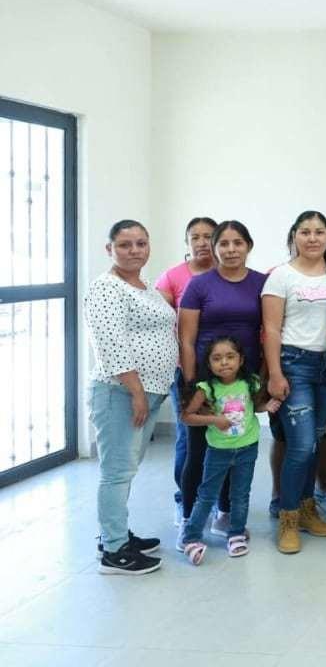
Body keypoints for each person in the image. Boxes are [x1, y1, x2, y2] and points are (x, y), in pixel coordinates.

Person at [85, 220, 177, 575]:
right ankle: (113, 551)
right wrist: (137, 393)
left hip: (147, 392)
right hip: (120, 392)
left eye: (141, 243)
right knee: (116, 471)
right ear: (109, 249)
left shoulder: (143, 286)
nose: (134, 250)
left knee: (127, 467)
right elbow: (111, 346)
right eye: (125, 245)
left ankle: (117, 533)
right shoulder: (107, 288)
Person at [177, 220, 267, 548]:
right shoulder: (199, 285)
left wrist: (265, 378)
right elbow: (186, 339)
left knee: (236, 442)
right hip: (205, 379)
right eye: (224, 244)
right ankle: (188, 520)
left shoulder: (261, 283)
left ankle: (226, 514)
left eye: (237, 243)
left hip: (243, 380)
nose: (230, 250)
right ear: (214, 248)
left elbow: (269, 331)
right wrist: (191, 384)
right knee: (199, 449)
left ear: (248, 245)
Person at [262, 210, 326, 554]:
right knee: (301, 444)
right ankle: (288, 517)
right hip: (295, 365)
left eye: (319, 232)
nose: (312, 238)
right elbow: (271, 329)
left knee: (318, 438)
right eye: (305, 232)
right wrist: (275, 374)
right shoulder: (281, 277)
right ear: (294, 236)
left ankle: (309, 506)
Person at [179, 337, 278, 565]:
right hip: (218, 450)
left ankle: (236, 534)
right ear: (209, 364)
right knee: (207, 495)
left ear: (241, 360)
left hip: (247, 447)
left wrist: (267, 407)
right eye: (217, 358)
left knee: (241, 495)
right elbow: (186, 416)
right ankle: (191, 538)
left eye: (230, 357)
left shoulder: (250, 383)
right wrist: (215, 419)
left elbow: (253, 406)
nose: (224, 363)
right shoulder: (206, 388)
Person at [153, 216, 216, 526]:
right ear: (187, 241)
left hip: (226, 371)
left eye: (209, 235)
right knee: (188, 439)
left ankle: (216, 499)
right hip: (187, 368)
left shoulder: (227, 272)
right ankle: (184, 498)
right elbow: (161, 323)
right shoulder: (172, 277)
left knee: (222, 435)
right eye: (196, 236)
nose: (202, 241)